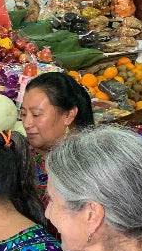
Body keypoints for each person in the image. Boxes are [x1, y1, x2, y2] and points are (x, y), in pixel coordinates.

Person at [19, 71, 94, 205]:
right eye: (23, 114)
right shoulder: (22, 150)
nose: (26, 123)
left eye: (36, 115)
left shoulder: (85, 170)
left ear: (68, 116)